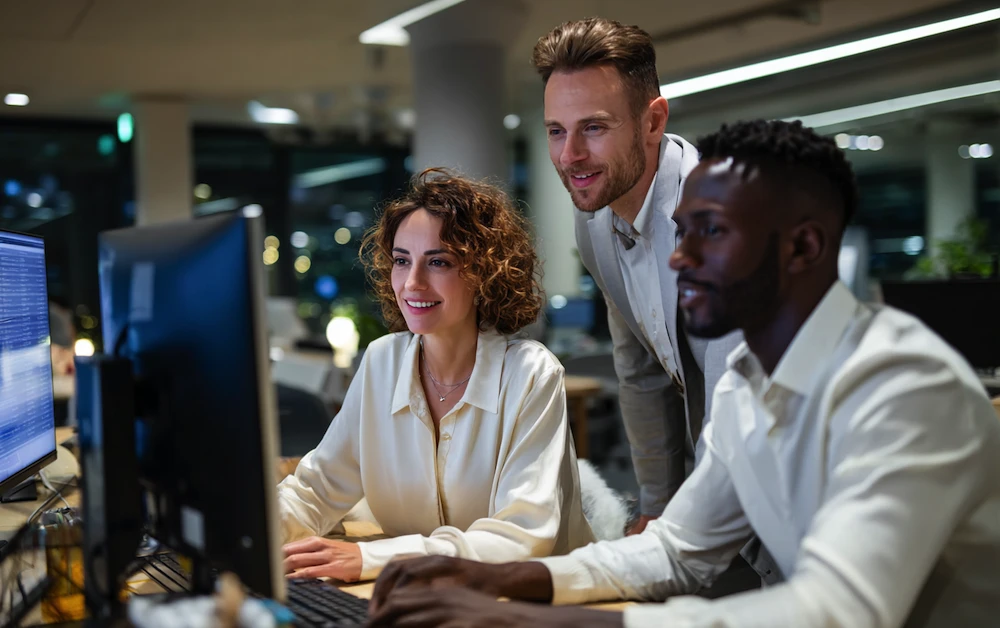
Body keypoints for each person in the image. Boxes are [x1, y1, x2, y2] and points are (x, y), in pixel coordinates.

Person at [365, 120, 1000, 627]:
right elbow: (676, 551)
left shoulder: (905, 384)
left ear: (803, 248)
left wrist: (523, 620)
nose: (679, 256)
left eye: (712, 232)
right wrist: (496, 578)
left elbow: (838, 610)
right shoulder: (747, 383)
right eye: (683, 228)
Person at [276, 168, 595, 582]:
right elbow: (316, 491)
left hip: (536, 604)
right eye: (401, 261)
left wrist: (374, 559)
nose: (412, 283)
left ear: (485, 272)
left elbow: (521, 538)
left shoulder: (531, 374)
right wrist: (247, 534)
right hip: (428, 594)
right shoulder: (381, 363)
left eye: (439, 262)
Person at [533, 17, 742, 537]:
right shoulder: (596, 224)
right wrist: (656, 508)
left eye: (594, 128)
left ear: (653, 122)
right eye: (557, 131)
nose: (569, 156)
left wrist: (676, 543)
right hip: (730, 492)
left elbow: (732, 411)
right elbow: (640, 371)